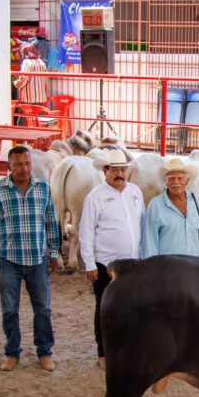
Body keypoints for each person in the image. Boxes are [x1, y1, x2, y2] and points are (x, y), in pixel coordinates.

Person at [0, 145, 60, 372]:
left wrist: (53, 253)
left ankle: (45, 352)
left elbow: (51, 222)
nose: (24, 168)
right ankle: (12, 353)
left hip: (38, 258)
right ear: (9, 166)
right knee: (10, 309)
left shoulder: (43, 188)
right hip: (9, 259)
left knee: (43, 308)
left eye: (27, 163)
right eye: (18, 164)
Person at [79, 150, 144, 370]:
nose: (119, 173)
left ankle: (127, 348)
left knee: (131, 307)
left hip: (132, 263)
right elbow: (86, 232)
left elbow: (141, 223)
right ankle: (104, 352)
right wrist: (89, 264)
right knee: (105, 308)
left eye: (123, 169)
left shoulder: (135, 192)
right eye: (114, 169)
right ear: (105, 171)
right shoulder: (95, 197)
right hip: (105, 264)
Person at [143, 157, 199, 258]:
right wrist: (151, 264)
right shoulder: (155, 205)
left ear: (187, 181)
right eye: (171, 178)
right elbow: (150, 241)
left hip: (194, 263)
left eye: (180, 178)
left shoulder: (196, 201)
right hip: (168, 265)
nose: (176, 182)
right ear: (166, 182)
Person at [14, 44, 48, 125]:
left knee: (24, 119)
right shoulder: (41, 62)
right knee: (36, 120)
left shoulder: (26, 62)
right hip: (39, 96)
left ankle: (21, 133)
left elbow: (23, 78)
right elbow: (46, 77)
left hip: (28, 97)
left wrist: (16, 83)